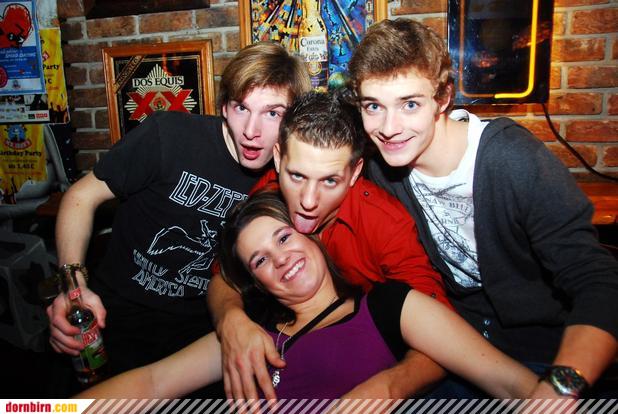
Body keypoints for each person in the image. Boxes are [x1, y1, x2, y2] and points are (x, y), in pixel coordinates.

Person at [348, 18, 618, 398]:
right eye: (374, 106)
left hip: (549, 354)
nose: (389, 128)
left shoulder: (510, 158)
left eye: (410, 104)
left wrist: (559, 388)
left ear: (443, 98)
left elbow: (599, 282)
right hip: (458, 354)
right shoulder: (381, 171)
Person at [75, 190, 540, 400]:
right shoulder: (251, 335)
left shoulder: (387, 306)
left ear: (312, 234)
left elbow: (511, 383)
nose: (279, 259)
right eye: (260, 260)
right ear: (256, 282)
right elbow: (152, 384)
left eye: (283, 238)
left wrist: (390, 387)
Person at [46, 42, 311, 386]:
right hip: (115, 315)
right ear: (224, 106)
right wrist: (72, 287)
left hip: (201, 331)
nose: (251, 130)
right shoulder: (169, 135)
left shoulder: (288, 178)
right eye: (241, 108)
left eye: (272, 114)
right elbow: (81, 197)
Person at [207, 91, 452, 400]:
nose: (308, 201)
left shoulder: (385, 225)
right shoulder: (269, 193)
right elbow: (226, 274)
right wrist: (230, 318)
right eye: (297, 176)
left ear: (354, 172)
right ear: (279, 158)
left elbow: (447, 339)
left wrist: (390, 387)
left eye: (329, 181)